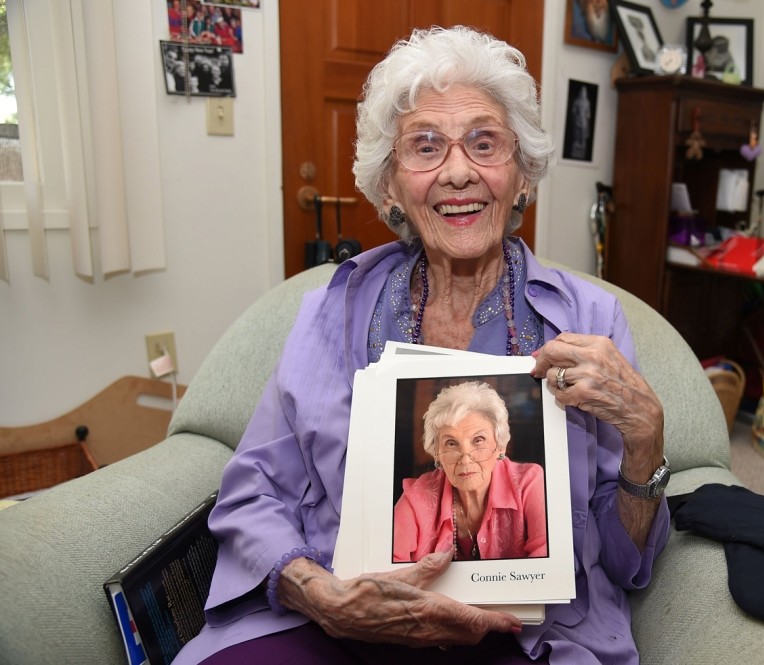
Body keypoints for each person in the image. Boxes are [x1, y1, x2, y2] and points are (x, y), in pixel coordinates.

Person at [174, 25, 669, 665]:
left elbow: (626, 564)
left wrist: (646, 436)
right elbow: (253, 491)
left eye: (484, 143)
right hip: (342, 615)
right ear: (390, 187)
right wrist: (317, 592)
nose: (458, 171)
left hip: (523, 635)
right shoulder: (331, 312)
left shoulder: (592, 320)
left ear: (522, 176)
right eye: (426, 147)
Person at [393, 381, 547, 563]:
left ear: (500, 445)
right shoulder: (416, 498)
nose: (465, 459)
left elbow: (547, 569)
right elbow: (387, 576)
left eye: (478, 440)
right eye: (451, 443)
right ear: (436, 452)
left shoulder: (529, 483)